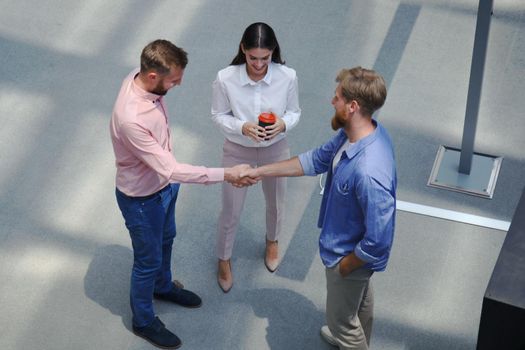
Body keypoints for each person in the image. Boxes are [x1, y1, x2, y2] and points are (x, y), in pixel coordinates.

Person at [110, 39, 253, 349]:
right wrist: (228, 174)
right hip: (142, 200)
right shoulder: (132, 119)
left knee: (167, 239)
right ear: (152, 77)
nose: (179, 84)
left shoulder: (139, 73)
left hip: (162, 188)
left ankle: (162, 286)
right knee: (146, 261)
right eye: (173, 80)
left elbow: (167, 174)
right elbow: (172, 170)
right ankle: (144, 320)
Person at [242, 67, 397, 349]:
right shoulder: (356, 134)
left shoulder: (368, 171)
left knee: (342, 322)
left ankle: (347, 338)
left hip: (347, 255)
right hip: (347, 251)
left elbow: (379, 240)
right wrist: (261, 171)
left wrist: (347, 264)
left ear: (352, 106)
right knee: (358, 303)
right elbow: (315, 160)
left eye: (337, 97)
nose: (331, 101)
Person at [211, 22, 301, 293]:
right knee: (231, 209)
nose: (259, 64)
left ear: (273, 51)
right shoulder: (226, 78)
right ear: (243, 50)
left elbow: (295, 112)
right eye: (253, 58)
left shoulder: (288, 76)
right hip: (238, 149)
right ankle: (224, 258)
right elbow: (217, 115)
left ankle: (272, 241)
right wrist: (242, 127)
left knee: (276, 202)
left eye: (265, 58)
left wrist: (283, 124)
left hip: (276, 148)